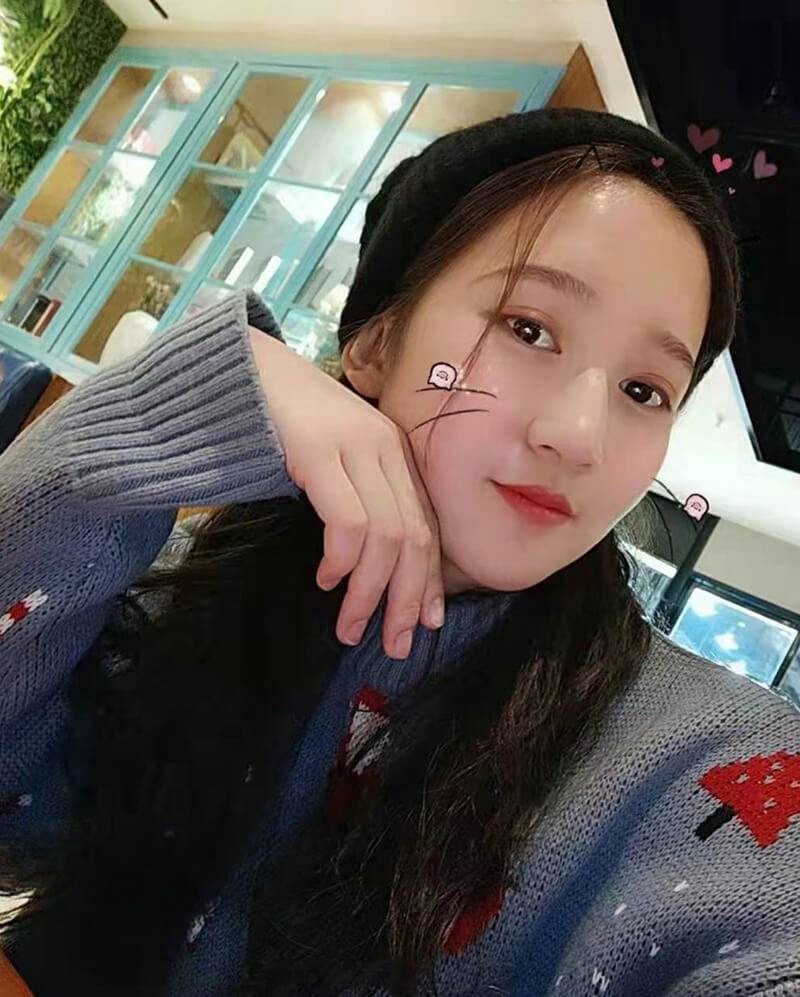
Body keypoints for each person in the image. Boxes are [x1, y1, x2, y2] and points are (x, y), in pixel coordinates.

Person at [0, 107, 798, 997]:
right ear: (376, 343)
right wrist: (155, 418)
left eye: (645, 390)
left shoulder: (698, 756)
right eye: (528, 328)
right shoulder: (197, 582)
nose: (580, 435)